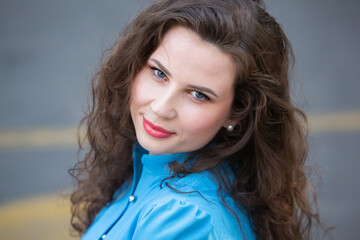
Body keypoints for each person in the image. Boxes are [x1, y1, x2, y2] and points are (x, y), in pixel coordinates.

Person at [69, 0, 324, 239]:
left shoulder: (186, 218)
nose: (161, 108)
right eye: (159, 73)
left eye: (198, 95)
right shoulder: (154, 161)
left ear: (236, 112)